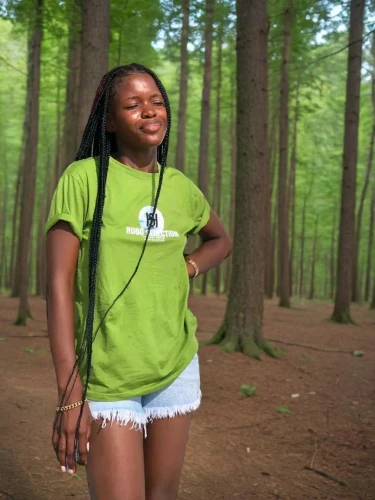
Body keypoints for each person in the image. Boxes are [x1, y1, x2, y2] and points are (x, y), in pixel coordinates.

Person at [45, 63, 232, 500]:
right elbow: (57, 287)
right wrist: (71, 393)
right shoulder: (83, 178)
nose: (150, 112)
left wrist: (187, 268)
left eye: (157, 101)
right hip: (108, 374)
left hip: (174, 365)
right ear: (109, 121)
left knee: (162, 495)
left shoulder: (181, 187)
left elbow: (220, 240)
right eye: (133, 104)